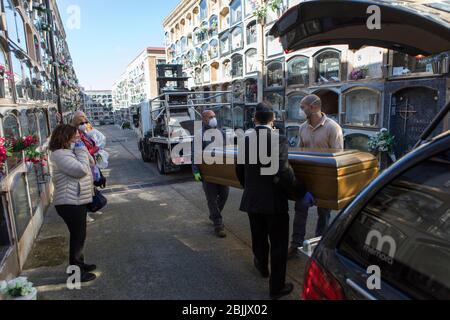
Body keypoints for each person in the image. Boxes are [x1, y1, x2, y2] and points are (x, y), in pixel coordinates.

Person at [236, 103, 308, 300]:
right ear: (273, 120)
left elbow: (240, 171)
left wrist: (249, 188)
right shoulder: (279, 139)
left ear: (255, 119)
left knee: (258, 237)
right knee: (278, 245)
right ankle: (276, 288)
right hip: (274, 203)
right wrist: (301, 192)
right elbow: (284, 172)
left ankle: (261, 267)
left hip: (252, 200)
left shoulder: (245, 140)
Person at [288, 95, 344, 258]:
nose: (301, 110)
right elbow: (300, 151)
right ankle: (295, 244)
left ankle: (320, 247)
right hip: (306, 178)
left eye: (303, 107)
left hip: (324, 178)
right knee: (300, 208)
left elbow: (338, 156)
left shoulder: (333, 128)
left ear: (313, 107)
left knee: (324, 213)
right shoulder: (302, 128)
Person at [49, 125, 97, 283]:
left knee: (80, 236)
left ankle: (80, 266)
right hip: (68, 202)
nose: (78, 139)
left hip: (75, 200)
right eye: (75, 136)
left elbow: (90, 162)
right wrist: (82, 150)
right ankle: (76, 274)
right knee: (77, 238)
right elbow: (81, 170)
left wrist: (81, 149)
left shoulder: (68, 151)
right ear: (65, 136)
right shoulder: (60, 155)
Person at [192, 110, 229, 238]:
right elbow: (196, 154)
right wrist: (196, 171)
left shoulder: (221, 133)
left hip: (221, 171)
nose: (213, 119)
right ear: (204, 120)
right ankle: (218, 225)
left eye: (214, 116)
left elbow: (227, 151)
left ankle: (213, 215)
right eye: (210, 117)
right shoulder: (199, 135)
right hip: (207, 172)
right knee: (212, 199)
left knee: (224, 195)